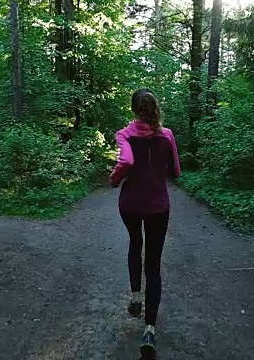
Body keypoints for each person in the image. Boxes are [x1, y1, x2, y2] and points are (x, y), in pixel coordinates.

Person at [109, 88, 181, 359]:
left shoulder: (125, 134)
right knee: (153, 263)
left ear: (133, 108)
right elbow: (175, 170)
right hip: (158, 207)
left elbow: (125, 161)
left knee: (134, 244)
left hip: (130, 204)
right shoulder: (167, 135)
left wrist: (115, 179)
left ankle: (136, 298)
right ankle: (149, 329)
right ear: (155, 108)